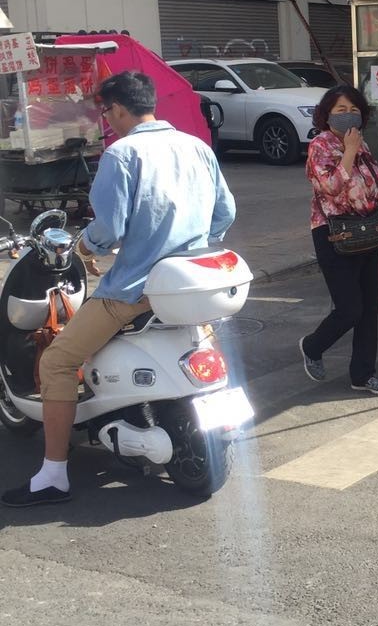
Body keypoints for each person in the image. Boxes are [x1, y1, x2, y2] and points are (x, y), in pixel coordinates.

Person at [1, 71, 236, 507]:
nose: (106, 118)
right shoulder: (197, 147)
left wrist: (85, 246)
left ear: (120, 108)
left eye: (106, 110)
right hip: (189, 286)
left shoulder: (122, 155)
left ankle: (53, 476)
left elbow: (108, 228)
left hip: (134, 289)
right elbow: (225, 214)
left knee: (56, 361)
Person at [299, 85, 378, 395]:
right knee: (350, 308)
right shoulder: (320, 146)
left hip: (367, 231)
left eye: (352, 110)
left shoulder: (362, 144)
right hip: (333, 233)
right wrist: (349, 152)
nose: (347, 115)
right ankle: (313, 346)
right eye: (339, 110)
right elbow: (330, 186)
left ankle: (363, 374)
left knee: (370, 308)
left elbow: (374, 185)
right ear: (326, 115)